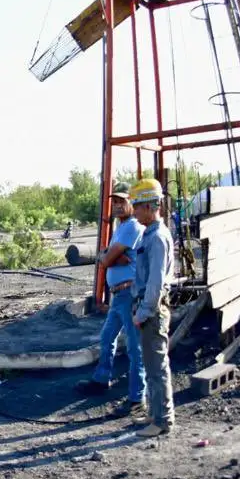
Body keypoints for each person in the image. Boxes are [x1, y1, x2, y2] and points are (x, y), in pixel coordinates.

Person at [75, 186, 146, 417]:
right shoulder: (121, 228)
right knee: (107, 337)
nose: (117, 206)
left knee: (135, 347)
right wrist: (109, 256)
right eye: (114, 202)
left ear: (132, 203)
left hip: (129, 293)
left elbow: (105, 260)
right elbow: (105, 256)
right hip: (118, 295)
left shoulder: (132, 226)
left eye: (121, 201)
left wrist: (108, 257)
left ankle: (137, 399)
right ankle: (101, 379)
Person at [131, 178, 175, 438]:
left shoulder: (157, 237)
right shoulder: (150, 234)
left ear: (150, 206)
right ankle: (155, 413)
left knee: (157, 369)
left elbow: (155, 284)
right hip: (148, 309)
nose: (134, 211)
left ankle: (162, 421)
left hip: (153, 311)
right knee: (151, 366)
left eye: (137, 206)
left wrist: (143, 312)